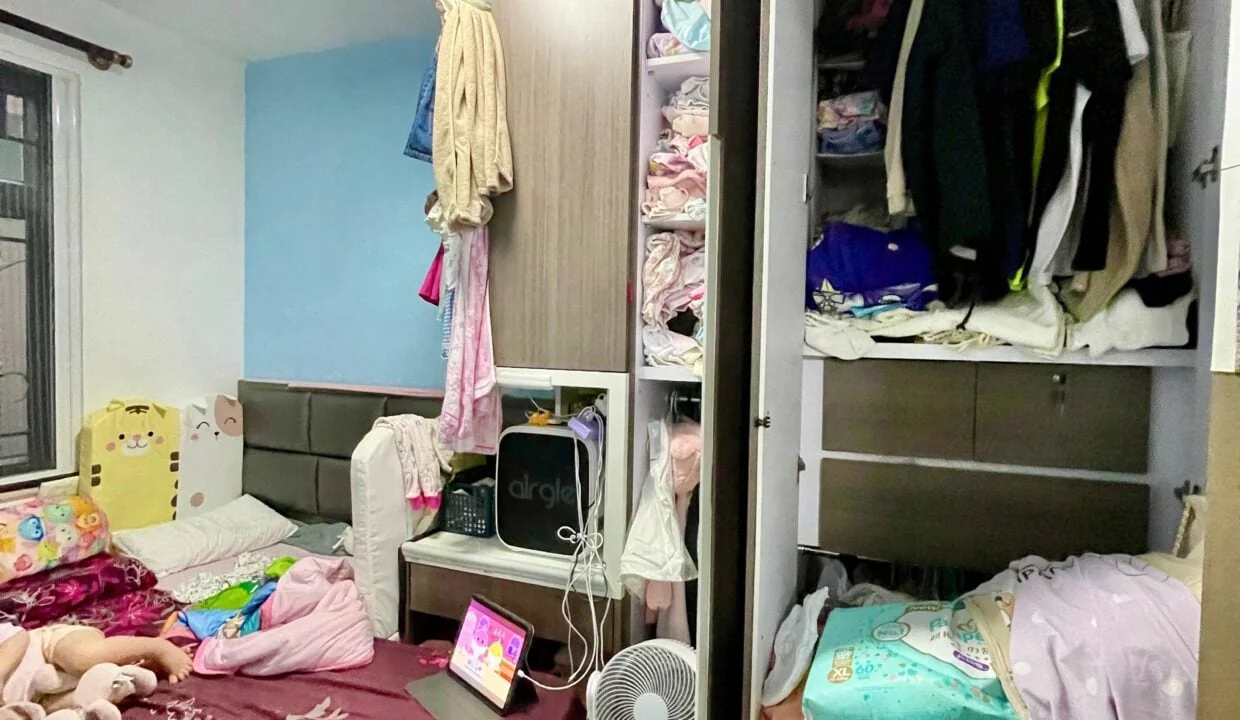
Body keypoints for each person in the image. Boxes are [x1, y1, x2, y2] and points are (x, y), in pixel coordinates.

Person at [0, 623, 193, 691]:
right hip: (43, 691)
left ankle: (156, 647)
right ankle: (139, 669)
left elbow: (18, 636)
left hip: (51, 646)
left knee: (80, 658)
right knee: (85, 698)